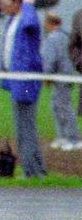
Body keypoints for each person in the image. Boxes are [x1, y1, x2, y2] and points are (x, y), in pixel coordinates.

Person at [0, 0, 45, 178]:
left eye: (5, 2)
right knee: (23, 126)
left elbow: (31, 24)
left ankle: (32, 171)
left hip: (25, 80)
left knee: (25, 128)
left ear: (17, 2)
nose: (2, 6)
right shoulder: (12, 20)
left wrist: (28, 5)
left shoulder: (27, 19)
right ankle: (37, 168)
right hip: (15, 79)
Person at [44, 13, 79, 150]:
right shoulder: (66, 35)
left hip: (60, 76)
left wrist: (47, 76)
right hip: (67, 74)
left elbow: (51, 60)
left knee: (64, 107)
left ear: (50, 23)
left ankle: (73, 139)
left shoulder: (53, 38)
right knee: (57, 105)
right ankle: (62, 136)